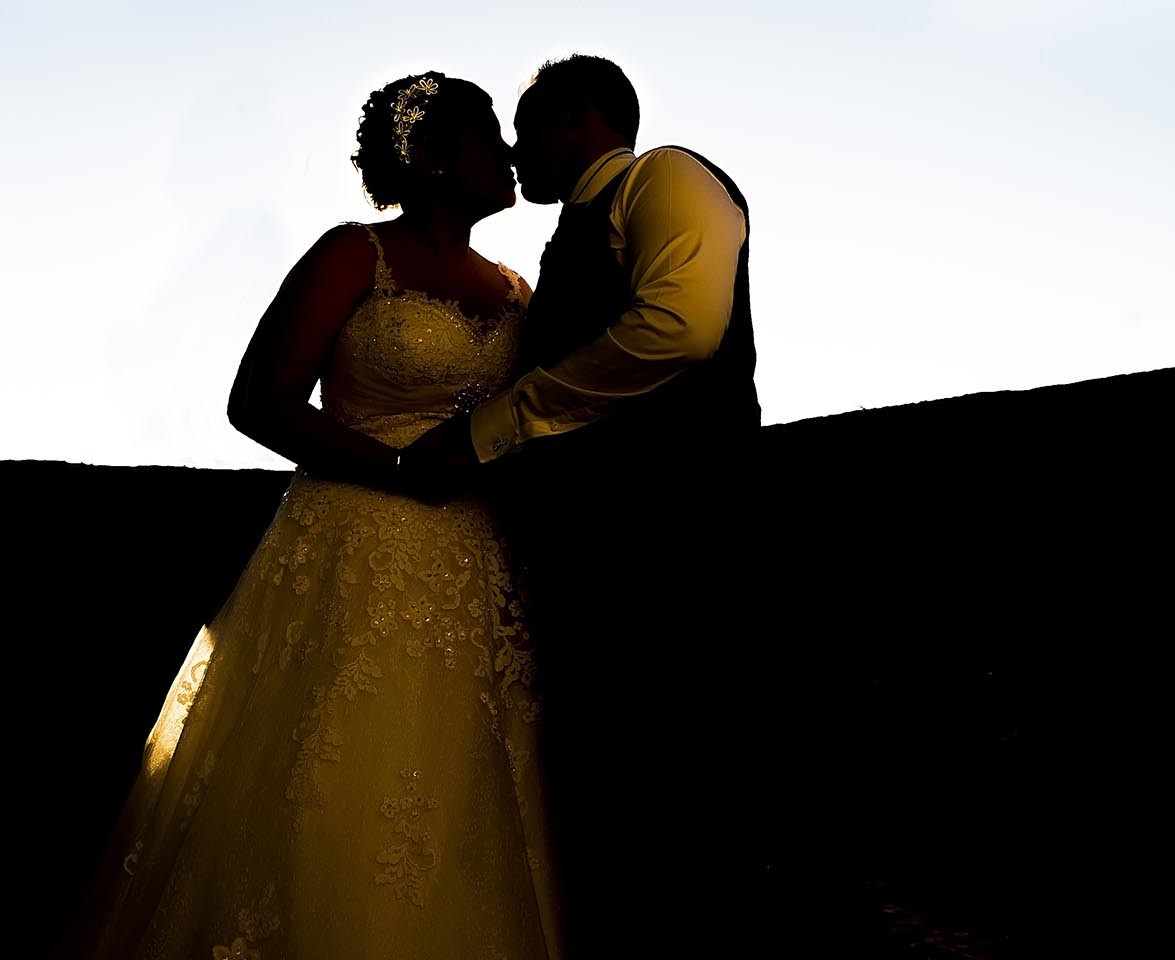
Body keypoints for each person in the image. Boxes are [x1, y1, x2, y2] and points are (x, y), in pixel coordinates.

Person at [51, 72, 564, 959]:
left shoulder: (518, 290)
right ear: (435, 157)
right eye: (488, 133)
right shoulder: (353, 255)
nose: (510, 152)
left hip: (480, 561)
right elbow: (261, 400)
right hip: (356, 536)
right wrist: (394, 468)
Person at [401, 55, 769, 957]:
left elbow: (680, 328)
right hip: (589, 565)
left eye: (526, 128)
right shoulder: (563, 244)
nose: (514, 151)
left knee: (680, 800)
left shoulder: (665, 178)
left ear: (576, 118)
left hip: (679, 550)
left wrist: (495, 426)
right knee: (604, 807)